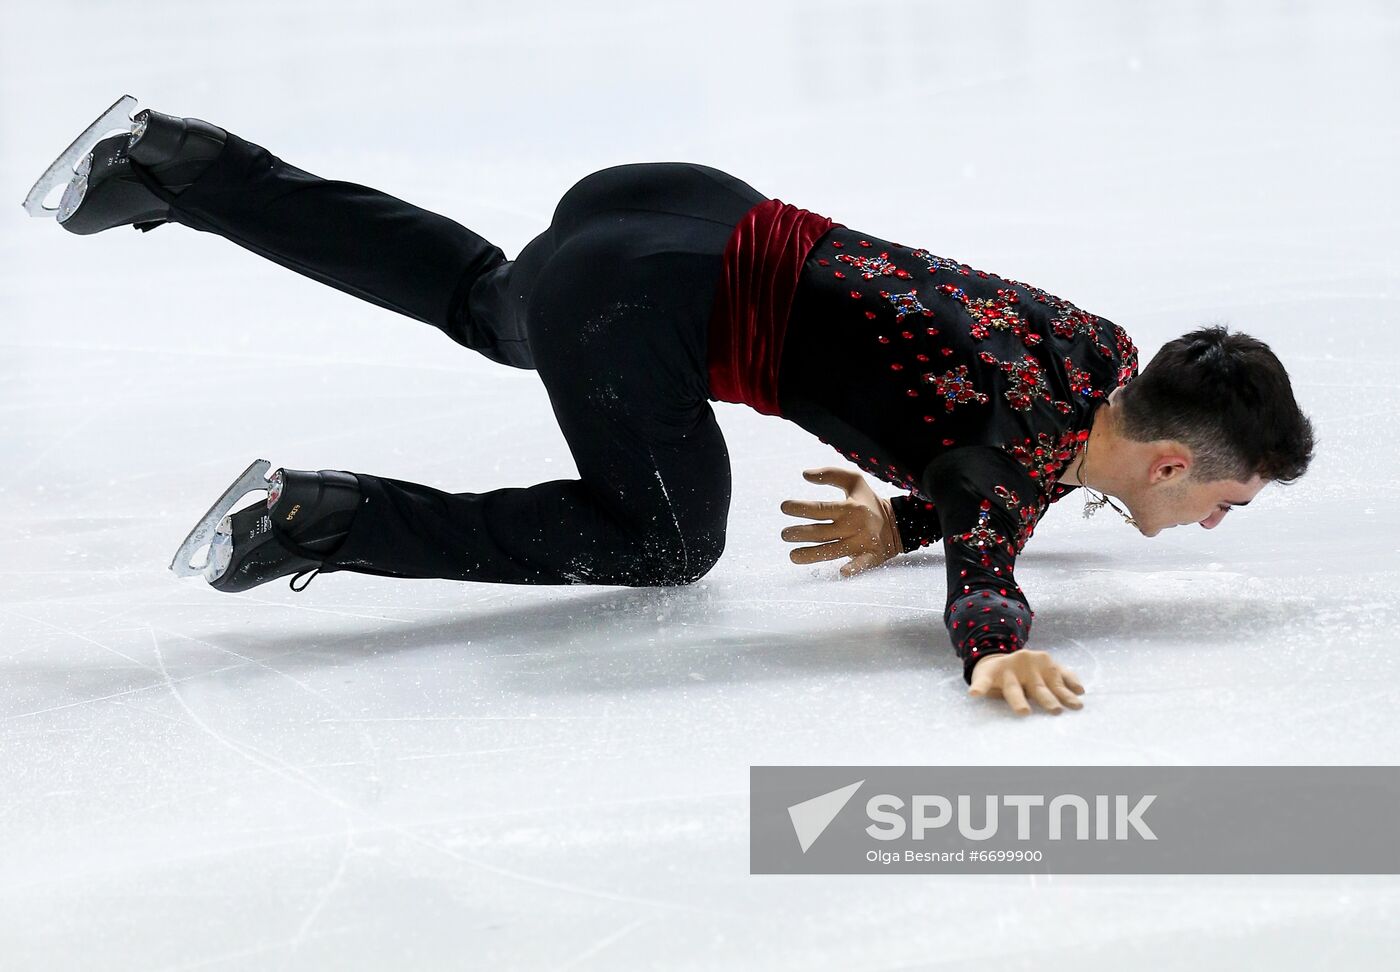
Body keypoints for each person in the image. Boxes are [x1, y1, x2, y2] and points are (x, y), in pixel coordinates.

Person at [31, 98, 1315, 716]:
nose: (1214, 521)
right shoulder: (1005, 460)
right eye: (1222, 498)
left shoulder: (1096, 351)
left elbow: (993, 474)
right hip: (643, 302)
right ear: (1160, 463)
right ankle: (310, 519)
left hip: (676, 205)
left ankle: (183, 166)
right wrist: (990, 645)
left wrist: (896, 525)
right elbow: (992, 525)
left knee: (487, 305)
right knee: (665, 545)